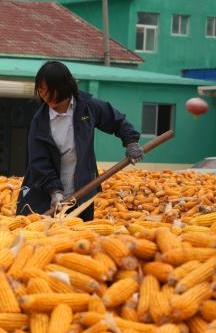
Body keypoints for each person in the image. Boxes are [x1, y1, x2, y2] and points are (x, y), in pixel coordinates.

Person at [16, 60, 144, 221]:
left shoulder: (87, 107)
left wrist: (131, 142)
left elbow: (116, 121)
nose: (43, 95)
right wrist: (54, 191)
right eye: (41, 91)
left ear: (62, 87)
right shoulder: (40, 121)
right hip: (48, 196)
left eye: (48, 91)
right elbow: (38, 161)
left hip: (83, 192)